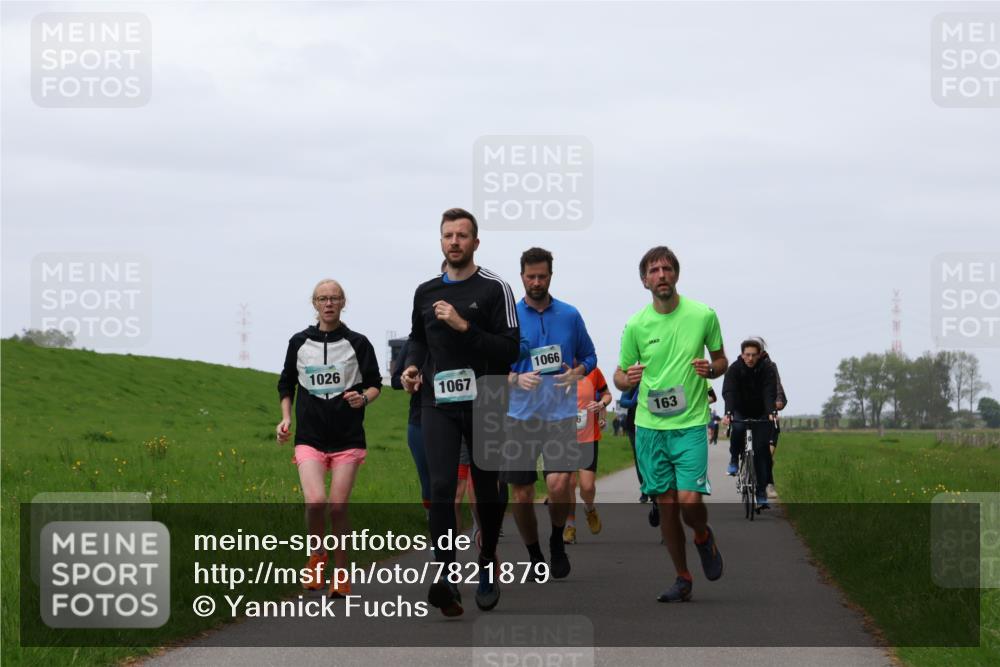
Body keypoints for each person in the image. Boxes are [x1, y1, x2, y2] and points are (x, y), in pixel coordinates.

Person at [400, 208, 519, 616]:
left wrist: (464, 326)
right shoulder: (425, 291)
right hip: (438, 402)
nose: (455, 242)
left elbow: (510, 350)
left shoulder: (494, 288)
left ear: (475, 243)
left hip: (485, 400)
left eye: (462, 235)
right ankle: (447, 576)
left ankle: (486, 563)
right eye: (448, 235)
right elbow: (418, 340)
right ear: (440, 242)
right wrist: (410, 368)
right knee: (441, 489)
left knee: (486, 491)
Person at [614, 246, 727, 603]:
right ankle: (682, 577)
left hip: (691, 422)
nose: (661, 275)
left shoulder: (703, 315)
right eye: (653, 270)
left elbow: (721, 359)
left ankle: (702, 536)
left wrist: (713, 370)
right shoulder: (636, 325)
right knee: (666, 504)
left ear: (676, 274)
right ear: (644, 280)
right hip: (649, 426)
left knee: (690, 500)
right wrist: (626, 379)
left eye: (667, 268)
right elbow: (618, 375)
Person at [276, 279, 382, 598]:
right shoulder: (298, 342)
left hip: (348, 437)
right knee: (316, 502)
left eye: (334, 298)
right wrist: (286, 417)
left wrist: (363, 399)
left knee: (337, 507)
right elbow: (285, 384)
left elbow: (376, 383)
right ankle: (317, 557)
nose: (329, 303)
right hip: (309, 436)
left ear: (343, 302)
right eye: (323, 298)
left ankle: (341, 572)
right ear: (314, 303)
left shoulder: (358, 343)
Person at [503, 247, 597, 579]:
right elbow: (492, 366)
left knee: (559, 484)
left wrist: (576, 373)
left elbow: (590, 357)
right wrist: (514, 377)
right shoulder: (509, 318)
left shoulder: (570, 315)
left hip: (559, 415)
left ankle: (557, 541)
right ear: (522, 277)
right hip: (520, 416)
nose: (537, 282)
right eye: (531, 276)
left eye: (542, 276)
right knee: (523, 494)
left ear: (551, 276)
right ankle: (534, 556)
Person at [721, 339, 778, 510]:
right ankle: (733, 459)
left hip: (761, 411)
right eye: (747, 355)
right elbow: (729, 391)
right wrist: (729, 413)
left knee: (761, 453)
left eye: (754, 355)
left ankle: (761, 494)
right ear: (742, 354)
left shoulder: (767, 369)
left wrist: (771, 411)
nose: (750, 358)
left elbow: (769, 392)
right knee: (737, 429)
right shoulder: (734, 369)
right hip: (740, 410)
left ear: (759, 355)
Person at [564, 367, 612, 543]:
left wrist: (601, 404)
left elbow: (607, 394)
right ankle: (570, 525)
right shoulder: (556, 371)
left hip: (588, 438)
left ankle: (589, 508)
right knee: (568, 483)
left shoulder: (594, 372)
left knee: (587, 486)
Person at [390, 338, 431, 513]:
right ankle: (435, 523)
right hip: (419, 419)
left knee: (452, 481)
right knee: (427, 480)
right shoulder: (413, 343)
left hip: (454, 416)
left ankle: (477, 524)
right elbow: (394, 380)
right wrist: (409, 380)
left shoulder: (456, 336)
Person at [748, 336, 787, 499]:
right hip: (747, 411)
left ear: (761, 352)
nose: (751, 357)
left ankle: (768, 483)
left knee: (766, 452)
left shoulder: (770, 367)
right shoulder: (741, 366)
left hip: (766, 413)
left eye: (756, 352)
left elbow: (778, 389)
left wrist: (778, 401)